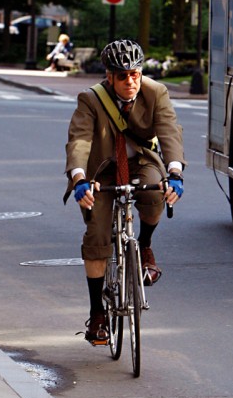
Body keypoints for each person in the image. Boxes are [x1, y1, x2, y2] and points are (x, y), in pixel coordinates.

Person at [64, 39, 186, 343]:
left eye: (135, 73)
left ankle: (144, 246)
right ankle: (97, 315)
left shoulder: (156, 92)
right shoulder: (90, 99)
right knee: (97, 236)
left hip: (141, 163)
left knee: (155, 193)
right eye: (123, 76)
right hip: (102, 170)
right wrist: (79, 178)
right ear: (109, 76)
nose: (131, 81)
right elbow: (79, 140)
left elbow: (170, 131)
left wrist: (175, 173)